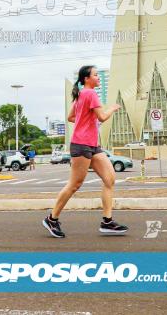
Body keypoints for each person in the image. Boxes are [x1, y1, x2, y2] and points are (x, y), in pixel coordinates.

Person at [43, 65, 128, 238]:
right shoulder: (90, 93)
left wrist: (88, 121)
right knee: (75, 184)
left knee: (109, 179)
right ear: (86, 79)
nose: (98, 78)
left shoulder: (81, 94)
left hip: (92, 144)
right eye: (96, 75)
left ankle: (107, 221)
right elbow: (102, 117)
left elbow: (71, 117)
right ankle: (52, 219)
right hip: (82, 144)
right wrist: (112, 108)